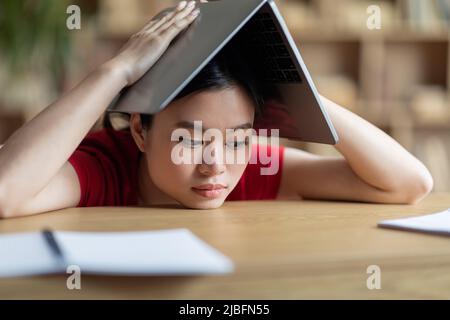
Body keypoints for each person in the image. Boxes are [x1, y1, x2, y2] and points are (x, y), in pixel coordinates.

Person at [0, 1, 433, 219]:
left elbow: (410, 183)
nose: (215, 166)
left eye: (239, 138)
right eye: (189, 139)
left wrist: (298, 91)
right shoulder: (103, 166)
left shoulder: (249, 166)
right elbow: (5, 192)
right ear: (139, 131)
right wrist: (119, 70)